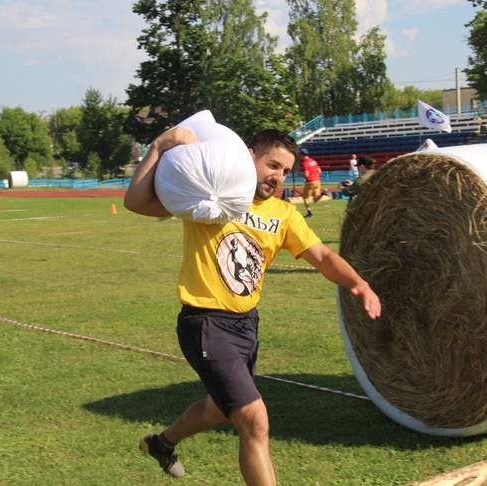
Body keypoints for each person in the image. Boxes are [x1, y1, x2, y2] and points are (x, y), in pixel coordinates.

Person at [123, 127, 381, 485]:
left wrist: (359, 283)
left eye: (285, 171)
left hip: (246, 325)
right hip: (205, 322)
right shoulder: (212, 191)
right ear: (248, 155)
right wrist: (159, 145)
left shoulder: (284, 213)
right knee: (254, 418)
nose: (277, 176)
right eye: (272, 165)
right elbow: (135, 202)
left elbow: (321, 255)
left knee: (220, 409)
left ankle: (162, 444)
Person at [298, 147, 322, 218]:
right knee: (315, 199)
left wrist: (300, 174)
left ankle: (310, 213)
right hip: (317, 180)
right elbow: (319, 171)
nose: (299, 156)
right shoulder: (313, 161)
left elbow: (306, 174)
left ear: (303, 155)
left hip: (310, 182)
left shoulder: (305, 163)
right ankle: (323, 194)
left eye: (300, 155)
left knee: (305, 198)